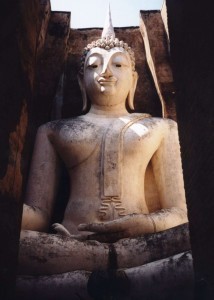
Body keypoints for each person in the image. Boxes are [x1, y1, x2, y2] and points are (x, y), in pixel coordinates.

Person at [19, 9, 188, 276]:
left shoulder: (161, 128)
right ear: (80, 80)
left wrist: (146, 224)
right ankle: (131, 276)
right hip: (72, 243)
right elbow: (39, 215)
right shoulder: (54, 131)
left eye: (118, 64)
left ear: (133, 80)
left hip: (143, 244)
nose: (106, 72)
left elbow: (181, 214)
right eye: (94, 65)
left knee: (197, 239)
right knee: (17, 243)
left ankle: (100, 272)